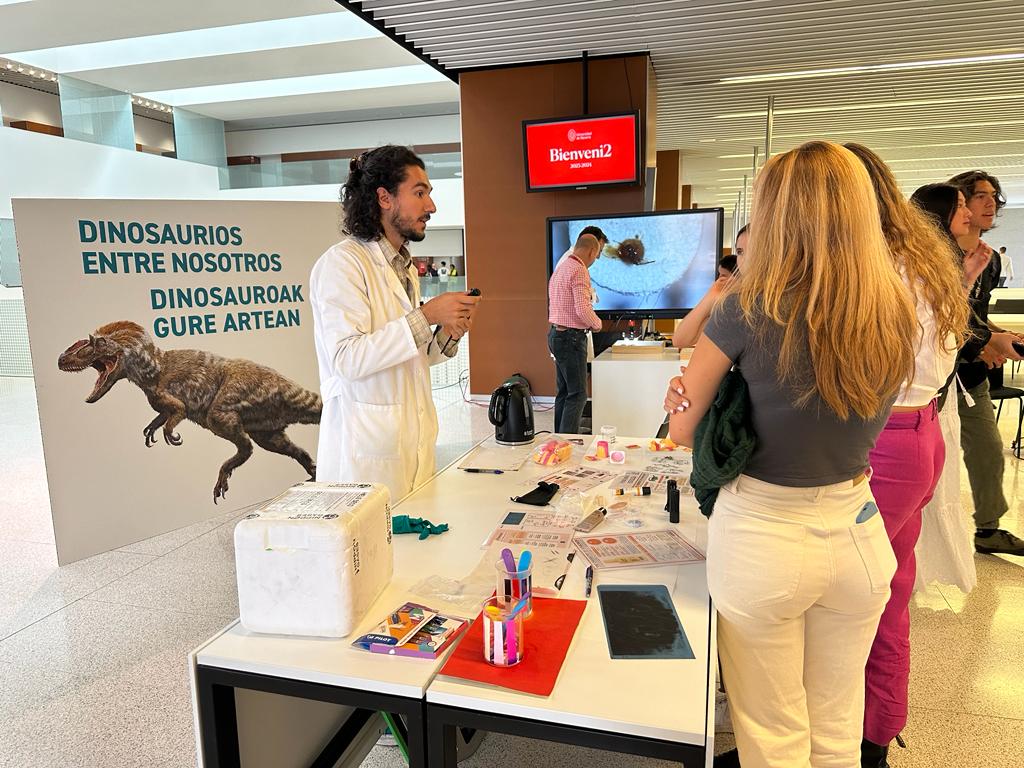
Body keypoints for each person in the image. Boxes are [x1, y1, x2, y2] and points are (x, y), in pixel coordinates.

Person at [665, 141, 916, 767]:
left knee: (770, 732)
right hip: (858, 530)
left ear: (775, 213)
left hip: (764, 536)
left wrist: (691, 398)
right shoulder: (894, 309)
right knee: (836, 721)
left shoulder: (746, 308)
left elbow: (681, 432)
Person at [844, 145, 969, 768]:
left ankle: (836, 743)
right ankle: (874, 736)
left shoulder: (872, 268)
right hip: (917, 435)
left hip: (880, 442)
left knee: (845, 598)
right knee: (888, 593)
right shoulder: (920, 257)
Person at [309, 145, 480, 501]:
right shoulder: (342, 265)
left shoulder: (402, 267)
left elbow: (409, 355)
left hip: (409, 446)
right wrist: (429, 315)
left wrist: (447, 334)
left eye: (428, 194)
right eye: (420, 193)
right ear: (384, 198)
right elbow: (348, 359)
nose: (430, 206)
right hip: (364, 458)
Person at [944, 170, 1024, 555]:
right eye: (978, 196)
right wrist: (987, 341)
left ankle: (988, 527)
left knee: (988, 449)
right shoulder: (936, 257)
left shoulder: (988, 260)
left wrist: (995, 333)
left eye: (993, 196)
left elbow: (971, 312)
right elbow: (939, 315)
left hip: (969, 375)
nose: (990, 203)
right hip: (933, 377)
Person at [548, 233, 603, 434]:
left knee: (564, 392)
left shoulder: (562, 267)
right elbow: (582, 309)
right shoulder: (579, 270)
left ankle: (559, 439)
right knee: (578, 394)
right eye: (597, 255)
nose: (595, 260)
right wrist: (597, 324)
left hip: (556, 335)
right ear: (591, 251)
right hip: (571, 338)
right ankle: (567, 442)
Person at [672, 225, 747, 349]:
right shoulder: (725, 305)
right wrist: (712, 294)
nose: (719, 280)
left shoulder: (742, 307)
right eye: (740, 252)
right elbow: (680, 340)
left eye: (723, 276)